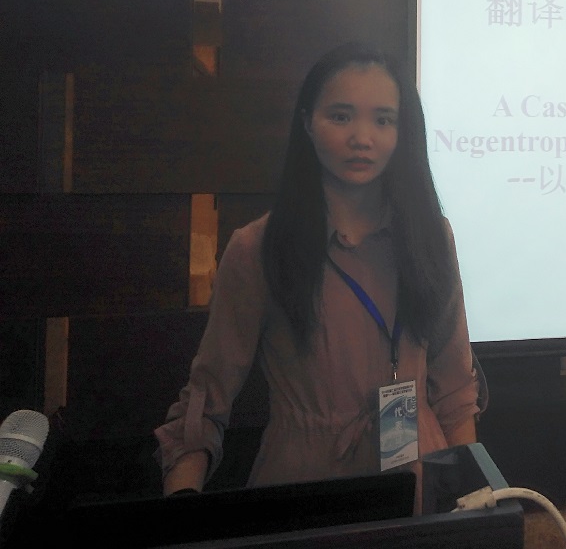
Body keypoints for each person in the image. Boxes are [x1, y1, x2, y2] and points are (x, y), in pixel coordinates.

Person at [155, 42, 481, 504]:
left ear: (403, 131)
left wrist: (472, 508)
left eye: (383, 120)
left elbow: (455, 393)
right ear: (308, 122)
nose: (362, 137)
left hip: (419, 480)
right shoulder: (257, 249)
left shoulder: (431, 237)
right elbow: (206, 401)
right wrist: (181, 501)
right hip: (305, 485)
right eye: (341, 116)